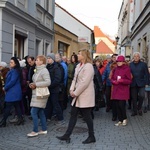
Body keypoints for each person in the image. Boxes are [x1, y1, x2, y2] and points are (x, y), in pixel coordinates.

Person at [56, 49, 96, 144]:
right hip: (77, 95)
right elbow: (74, 79)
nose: (77, 55)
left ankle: (91, 136)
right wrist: (71, 89)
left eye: (79, 54)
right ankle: (67, 135)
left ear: (84, 55)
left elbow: (84, 83)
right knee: (73, 115)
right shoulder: (78, 65)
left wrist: (75, 92)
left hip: (85, 95)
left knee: (87, 116)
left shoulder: (89, 66)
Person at [27, 55, 51, 137]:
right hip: (36, 93)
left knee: (33, 112)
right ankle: (44, 129)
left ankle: (35, 130)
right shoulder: (37, 70)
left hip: (41, 94)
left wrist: (36, 84)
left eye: (37, 60)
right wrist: (31, 84)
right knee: (40, 112)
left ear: (42, 62)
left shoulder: (44, 70)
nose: (36, 61)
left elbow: (48, 82)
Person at [0, 57, 23, 127]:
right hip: (13, 91)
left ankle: (3, 122)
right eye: (10, 62)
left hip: (13, 92)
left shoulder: (15, 71)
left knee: (8, 107)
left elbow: (12, 81)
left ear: (15, 63)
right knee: (17, 106)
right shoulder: (12, 70)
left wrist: (5, 88)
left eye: (12, 62)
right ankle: (20, 119)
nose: (10, 63)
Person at [111, 55, 132, 126]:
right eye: (117, 61)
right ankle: (120, 120)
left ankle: (124, 118)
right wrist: (113, 81)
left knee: (121, 105)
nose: (119, 63)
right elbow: (112, 78)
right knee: (117, 105)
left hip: (123, 90)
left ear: (123, 62)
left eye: (120, 61)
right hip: (116, 89)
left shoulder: (127, 69)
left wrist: (122, 80)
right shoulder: (115, 69)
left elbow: (129, 81)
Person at [45, 53, 64, 124]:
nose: (48, 59)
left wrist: (50, 85)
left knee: (55, 104)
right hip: (49, 88)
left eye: (49, 58)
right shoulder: (47, 67)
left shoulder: (56, 67)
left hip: (54, 89)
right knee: (48, 104)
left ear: (52, 59)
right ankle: (48, 117)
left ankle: (61, 118)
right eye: (47, 58)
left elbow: (57, 79)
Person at [130, 52, 149, 116]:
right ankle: (134, 111)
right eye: (135, 56)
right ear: (133, 57)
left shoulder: (143, 64)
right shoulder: (130, 64)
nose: (136, 57)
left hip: (141, 82)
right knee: (134, 98)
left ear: (139, 57)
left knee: (142, 95)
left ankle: (139, 107)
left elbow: (146, 74)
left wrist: (147, 83)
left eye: (137, 56)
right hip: (133, 83)